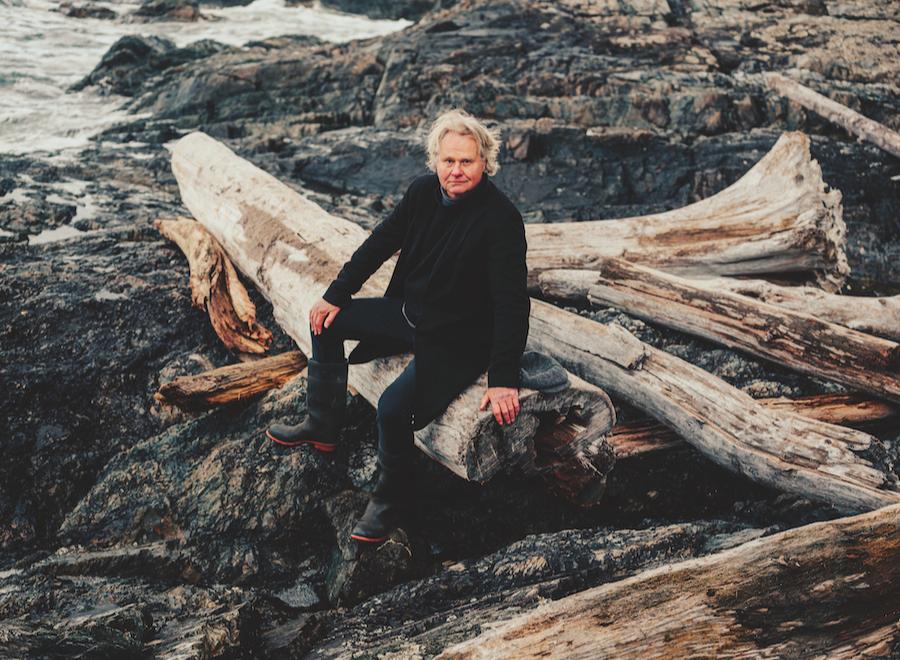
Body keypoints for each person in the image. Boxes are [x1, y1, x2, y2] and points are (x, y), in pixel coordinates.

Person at [267, 108, 530, 543]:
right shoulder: (422, 192)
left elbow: (511, 303)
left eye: (467, 161)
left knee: (393, 408)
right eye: (449, 161)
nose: (457, 170)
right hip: (409, 313)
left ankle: (391, 500)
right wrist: (336, 293)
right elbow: (380, 243)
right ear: (435, 160)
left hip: (458, 337)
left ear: (485, 161)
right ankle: (322, 424)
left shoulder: (501, 219)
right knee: (324, 324)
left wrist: (503, 378)